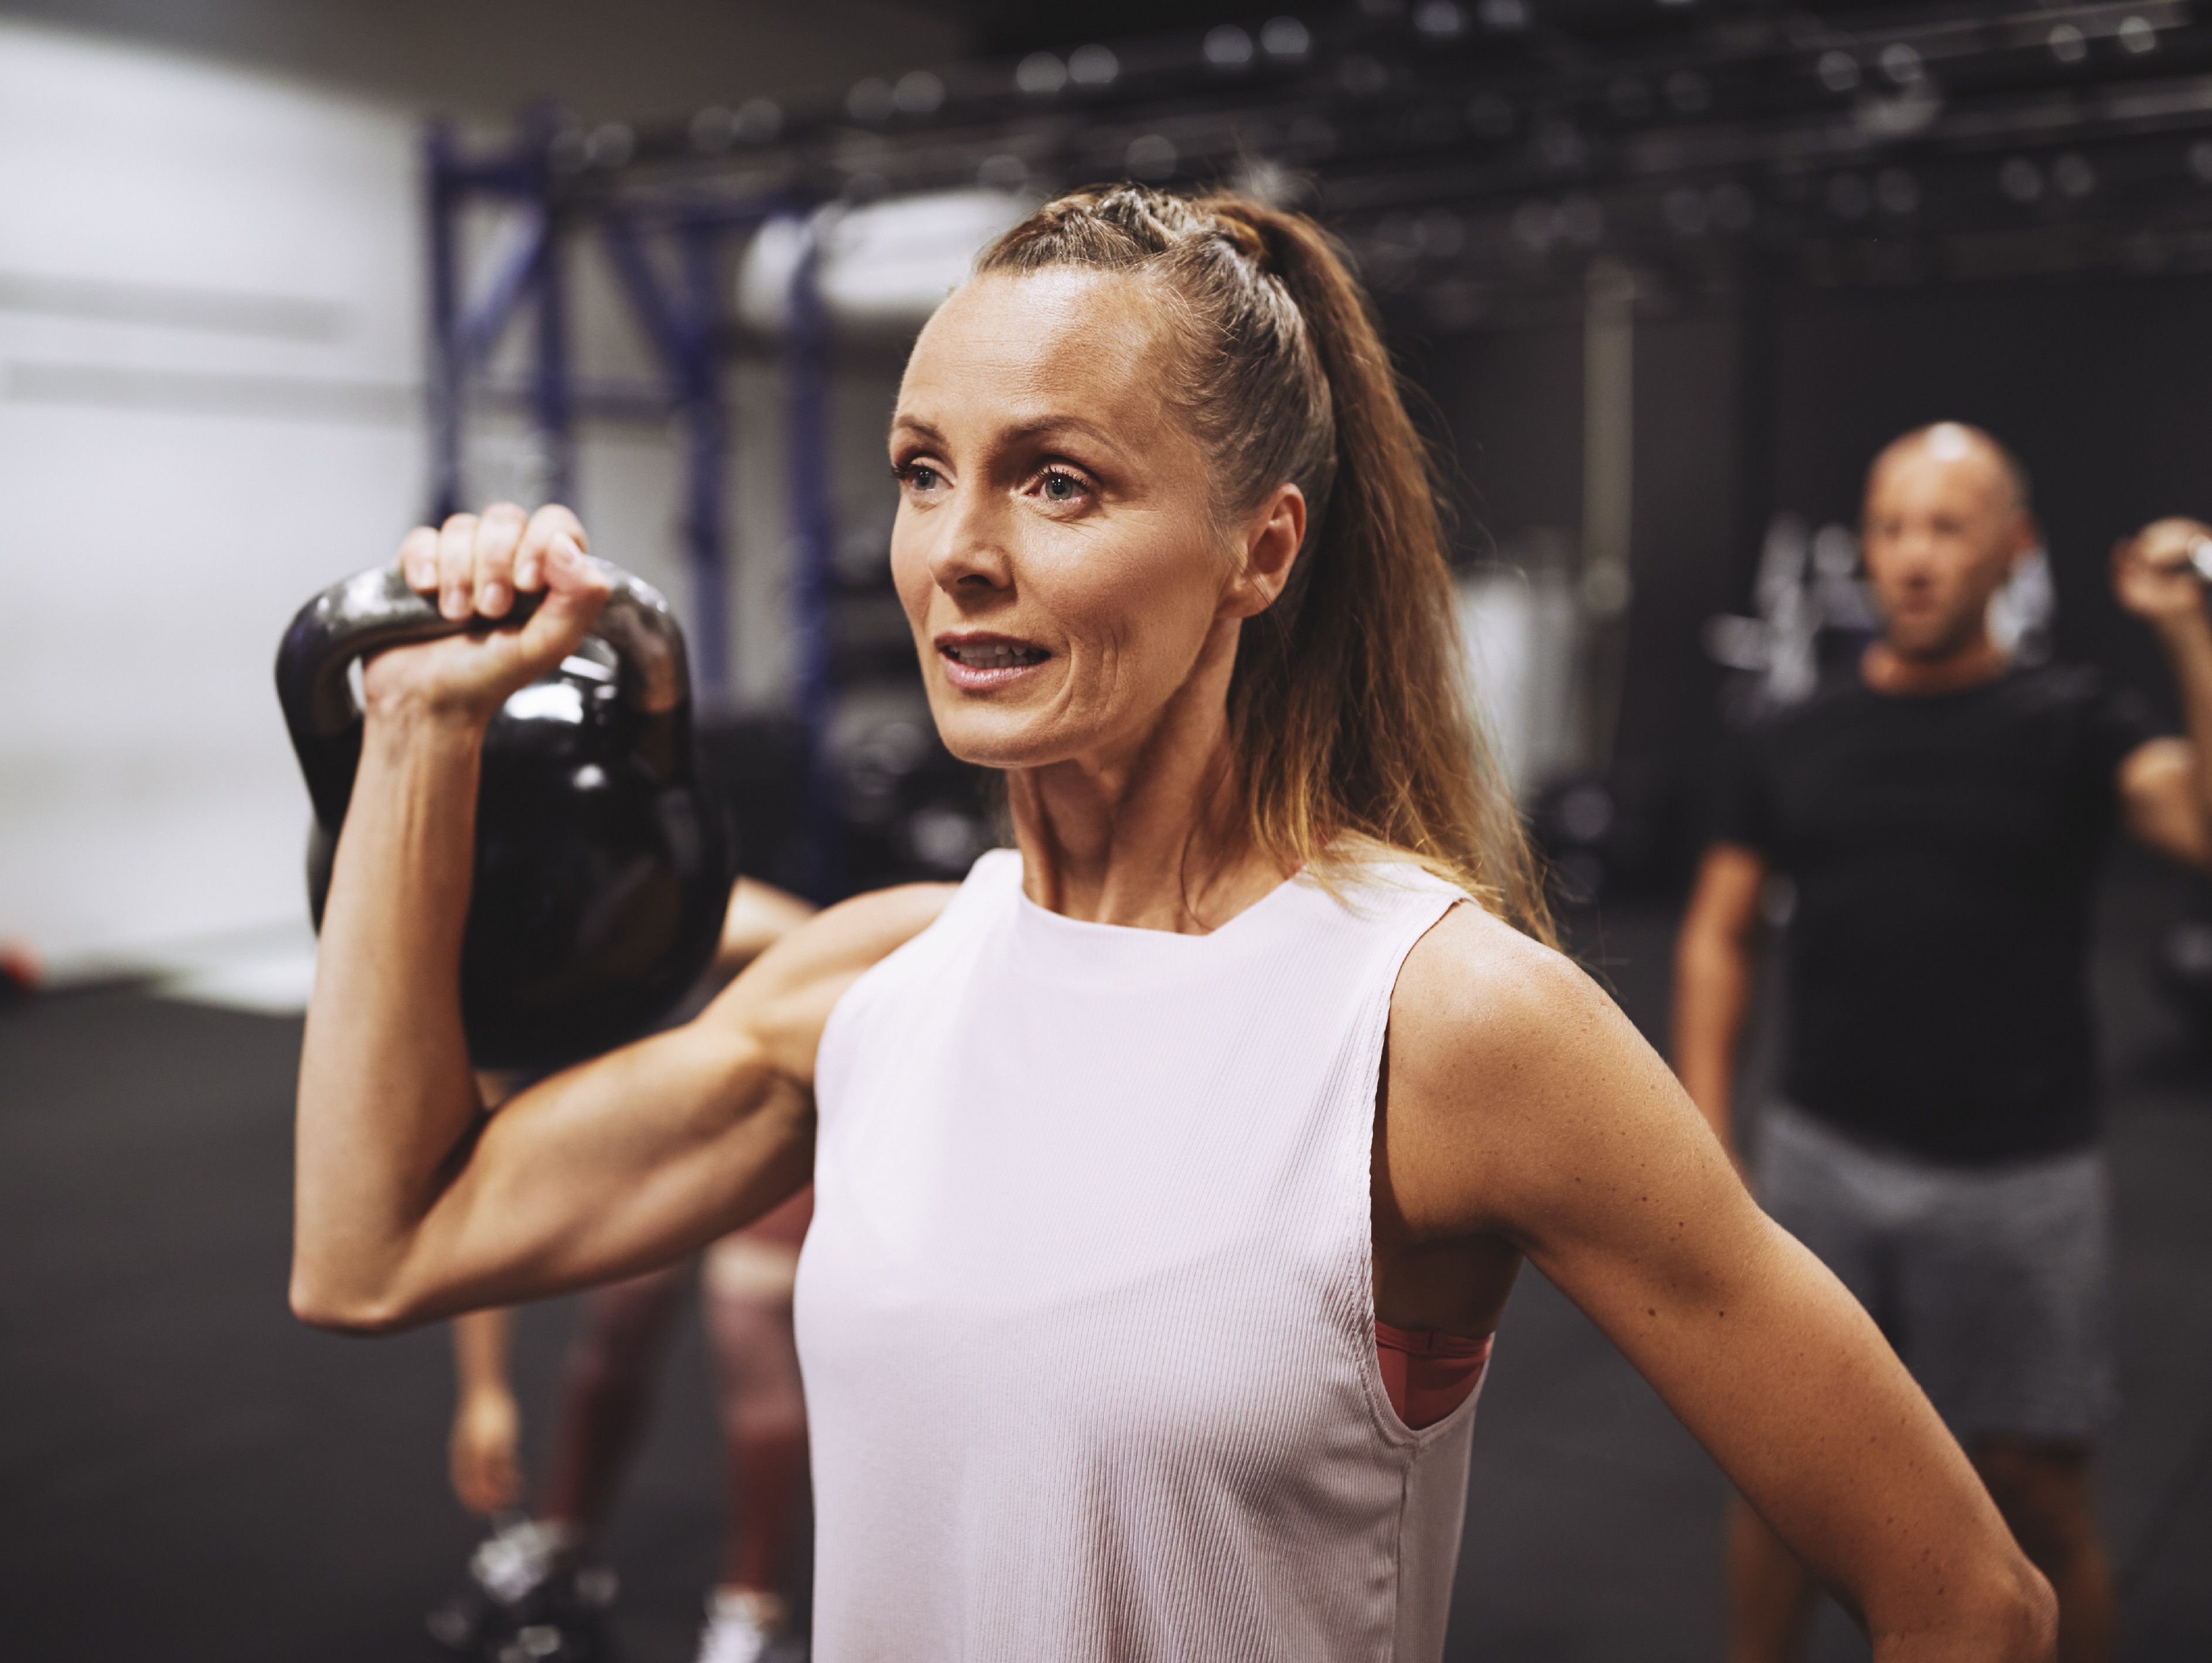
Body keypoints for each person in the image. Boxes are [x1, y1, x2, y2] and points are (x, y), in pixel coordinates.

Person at [292, 187, 2053, 1661]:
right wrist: (423, 727)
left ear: (1258, 550)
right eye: (923, 472)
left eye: (1055, 481)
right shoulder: (878, 975)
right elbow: (374, 1249)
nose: (958, 552)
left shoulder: (1439, 1022)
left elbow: (1965, 1600)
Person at [1674, 425, 2212, 1663]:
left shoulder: (2075, 722)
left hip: (2019, 1178)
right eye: (1892, 528)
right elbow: (1718, 935)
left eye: (1947, 527)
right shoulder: (1790, 737)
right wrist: (1707, 1141)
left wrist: (2185, 627)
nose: (1913, 557)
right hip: (1822, 1159)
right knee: (1784, 1490)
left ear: (2011, 549)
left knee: (2038, 1497)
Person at [438, 881, 819, 1663]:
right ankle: (562, 1542)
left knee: (747, 1316)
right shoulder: (485, 993)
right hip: (660, 1106)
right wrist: (484, 1391)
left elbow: (832, 972)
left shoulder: (712, 918)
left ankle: (752, 1615)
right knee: (625, 1303)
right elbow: (458, 1206)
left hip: (783, 1077)